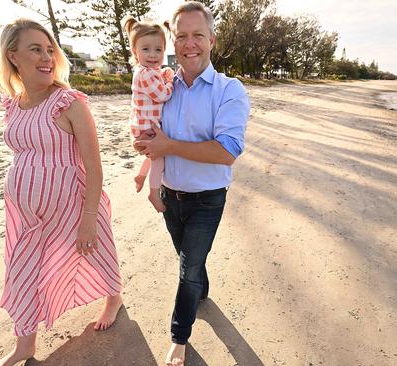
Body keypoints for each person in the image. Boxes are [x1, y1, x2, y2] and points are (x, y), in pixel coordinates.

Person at [0, 18, 123, 366]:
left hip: (71, 205)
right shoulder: (12, 104)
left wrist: (89, 219)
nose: (47, 56)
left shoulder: (69, 102)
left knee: (96, 252)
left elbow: (94, 167)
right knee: (23, 271)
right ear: (13, 56)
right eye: (36, 49)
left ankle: (113, 297)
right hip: (24, 215)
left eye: (49, 49)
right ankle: (25, 345)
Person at [134, 2, 250, 365]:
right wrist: (147, 162)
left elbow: (227, 150)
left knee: (187, 268)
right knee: (191, 262)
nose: (190, 43)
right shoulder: (163, 88)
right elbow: (152, 137)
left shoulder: (229, 90)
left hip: (208, 200)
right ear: (173, 41)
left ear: (211, 40)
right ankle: (201, 290)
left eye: (198, 35)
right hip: (171, 197)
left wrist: (168, 145)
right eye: (181, 36)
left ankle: (179, 337)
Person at [123, 16, 175, 212]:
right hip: (147, 127)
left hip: (144, 125)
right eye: (146, 49)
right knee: (159, 157)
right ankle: (154, 192)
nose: (153, 54)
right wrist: (171, 83)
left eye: (158, 49)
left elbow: (158, 77)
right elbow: (162, 94)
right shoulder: (145, 74)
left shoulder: (148, 71)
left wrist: (165, 74)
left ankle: (141, 175)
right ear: (135, 51)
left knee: (152, 155)